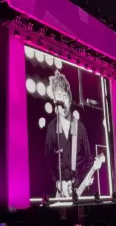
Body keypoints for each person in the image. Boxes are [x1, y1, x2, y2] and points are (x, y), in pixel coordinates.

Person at [45, 70, 93, 198]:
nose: (63, 101)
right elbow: (48, 161)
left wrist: (81, 180)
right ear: (55, 100)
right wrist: (57, 183)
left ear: (70, 99)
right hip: (60, 192)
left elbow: (89, 160)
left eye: (65, 96)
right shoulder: (52, 128)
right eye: (59, 96)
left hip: (78, 190)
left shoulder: (80, 127)